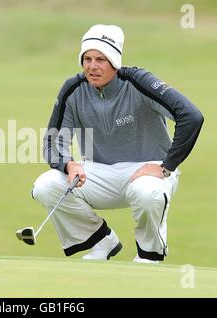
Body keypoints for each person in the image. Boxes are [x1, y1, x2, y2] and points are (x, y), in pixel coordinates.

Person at [31, 24, 204, 263]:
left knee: (147, 192)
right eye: (87, 59)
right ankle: (102, 242)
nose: (92, 66)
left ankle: (148, 255)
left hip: (149, 172)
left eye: (101, 59)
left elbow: (191, 116)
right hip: (99, 174)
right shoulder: (73, 89)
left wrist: (166, 165)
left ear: (114, 61)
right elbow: (53, 141)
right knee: (46, 184)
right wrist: (68, 164)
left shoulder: (139, 82)